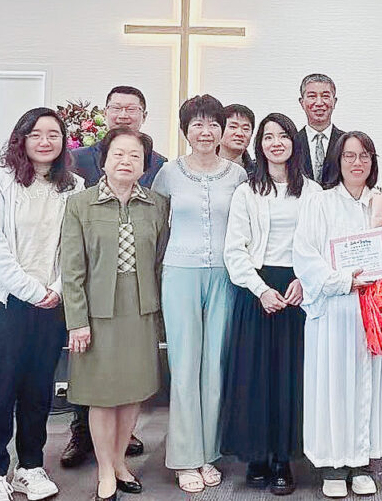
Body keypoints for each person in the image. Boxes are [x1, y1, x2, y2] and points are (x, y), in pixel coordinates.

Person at [0, 107, 83, 501]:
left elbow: (74, 247)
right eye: (36, 134)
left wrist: (57, 289)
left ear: (63, 142)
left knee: (38, 388)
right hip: (1, 301)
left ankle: (30, 466)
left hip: (50, 301)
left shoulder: (74, 186)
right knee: (0, 387)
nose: (45, 141)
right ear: (22, 138)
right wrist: (32, 291)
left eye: (53, 134)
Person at [293, 131, 382, 498]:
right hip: (335, 309)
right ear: (338, 160)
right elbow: (304, 254)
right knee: (334, 384)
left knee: (370, 383)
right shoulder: (320, 203)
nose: (357, 162)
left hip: (374, 309)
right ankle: (333, 465)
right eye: (349, 155)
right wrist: (342, 281)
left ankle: (363, 463)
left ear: (373, 161)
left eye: (364, 156)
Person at [61, 127, 170, 501]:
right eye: (118, 154)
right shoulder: (81, 204)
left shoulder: (157, 205)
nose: (126, 161)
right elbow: (71, 268)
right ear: (104, 160)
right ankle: (105, 470)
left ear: (145, 165)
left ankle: (121, 462)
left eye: (135, 156)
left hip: (141, 309)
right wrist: (77, 320)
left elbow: (160, 262)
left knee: (133, 391)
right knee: (102, 394)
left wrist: (161, 315)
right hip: (97, 314)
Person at [221, 113, 322, 495]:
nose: (276, 142)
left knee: (290, 377)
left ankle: (283, 458)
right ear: (259, 145)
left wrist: (305, 280)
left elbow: (322, 244)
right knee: (256, 376)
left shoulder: (312, 191)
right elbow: (235, 250)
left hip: (299, 288)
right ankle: (257, 455)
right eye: (268, 137)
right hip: (257, 290)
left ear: (294, 143)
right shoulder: (247, 191)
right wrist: (260, 289)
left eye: (283, 136)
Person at [152, 95, 248, 493]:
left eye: (213, 124)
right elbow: (156, 227)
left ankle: (209, 452)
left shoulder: (237, 175)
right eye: (197, 125)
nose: (206, 132)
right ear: (185, 130)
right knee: (184, 363)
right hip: (180, 273)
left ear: (222, 130)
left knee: (216, 364)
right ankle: (184, 456)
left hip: (226, 274)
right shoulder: (168, 174)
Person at [70, 86, 167, 188]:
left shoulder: (159, 164)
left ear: (144, 116)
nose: (123, 116)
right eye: (116, 108)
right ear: (105, 113)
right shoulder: (77, 158)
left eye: (131, 109)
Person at [294, 73, 344, 184]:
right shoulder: (292, 142)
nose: (319, 103)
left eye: (325, 96)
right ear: (302, 103)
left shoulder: (347, 142)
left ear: (334, 102)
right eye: (312, 96)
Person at [219, 103, 256, 174]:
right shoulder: (201, 167)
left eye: (245, 129)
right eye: (233, 127)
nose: (239, 134)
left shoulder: (258, 173)